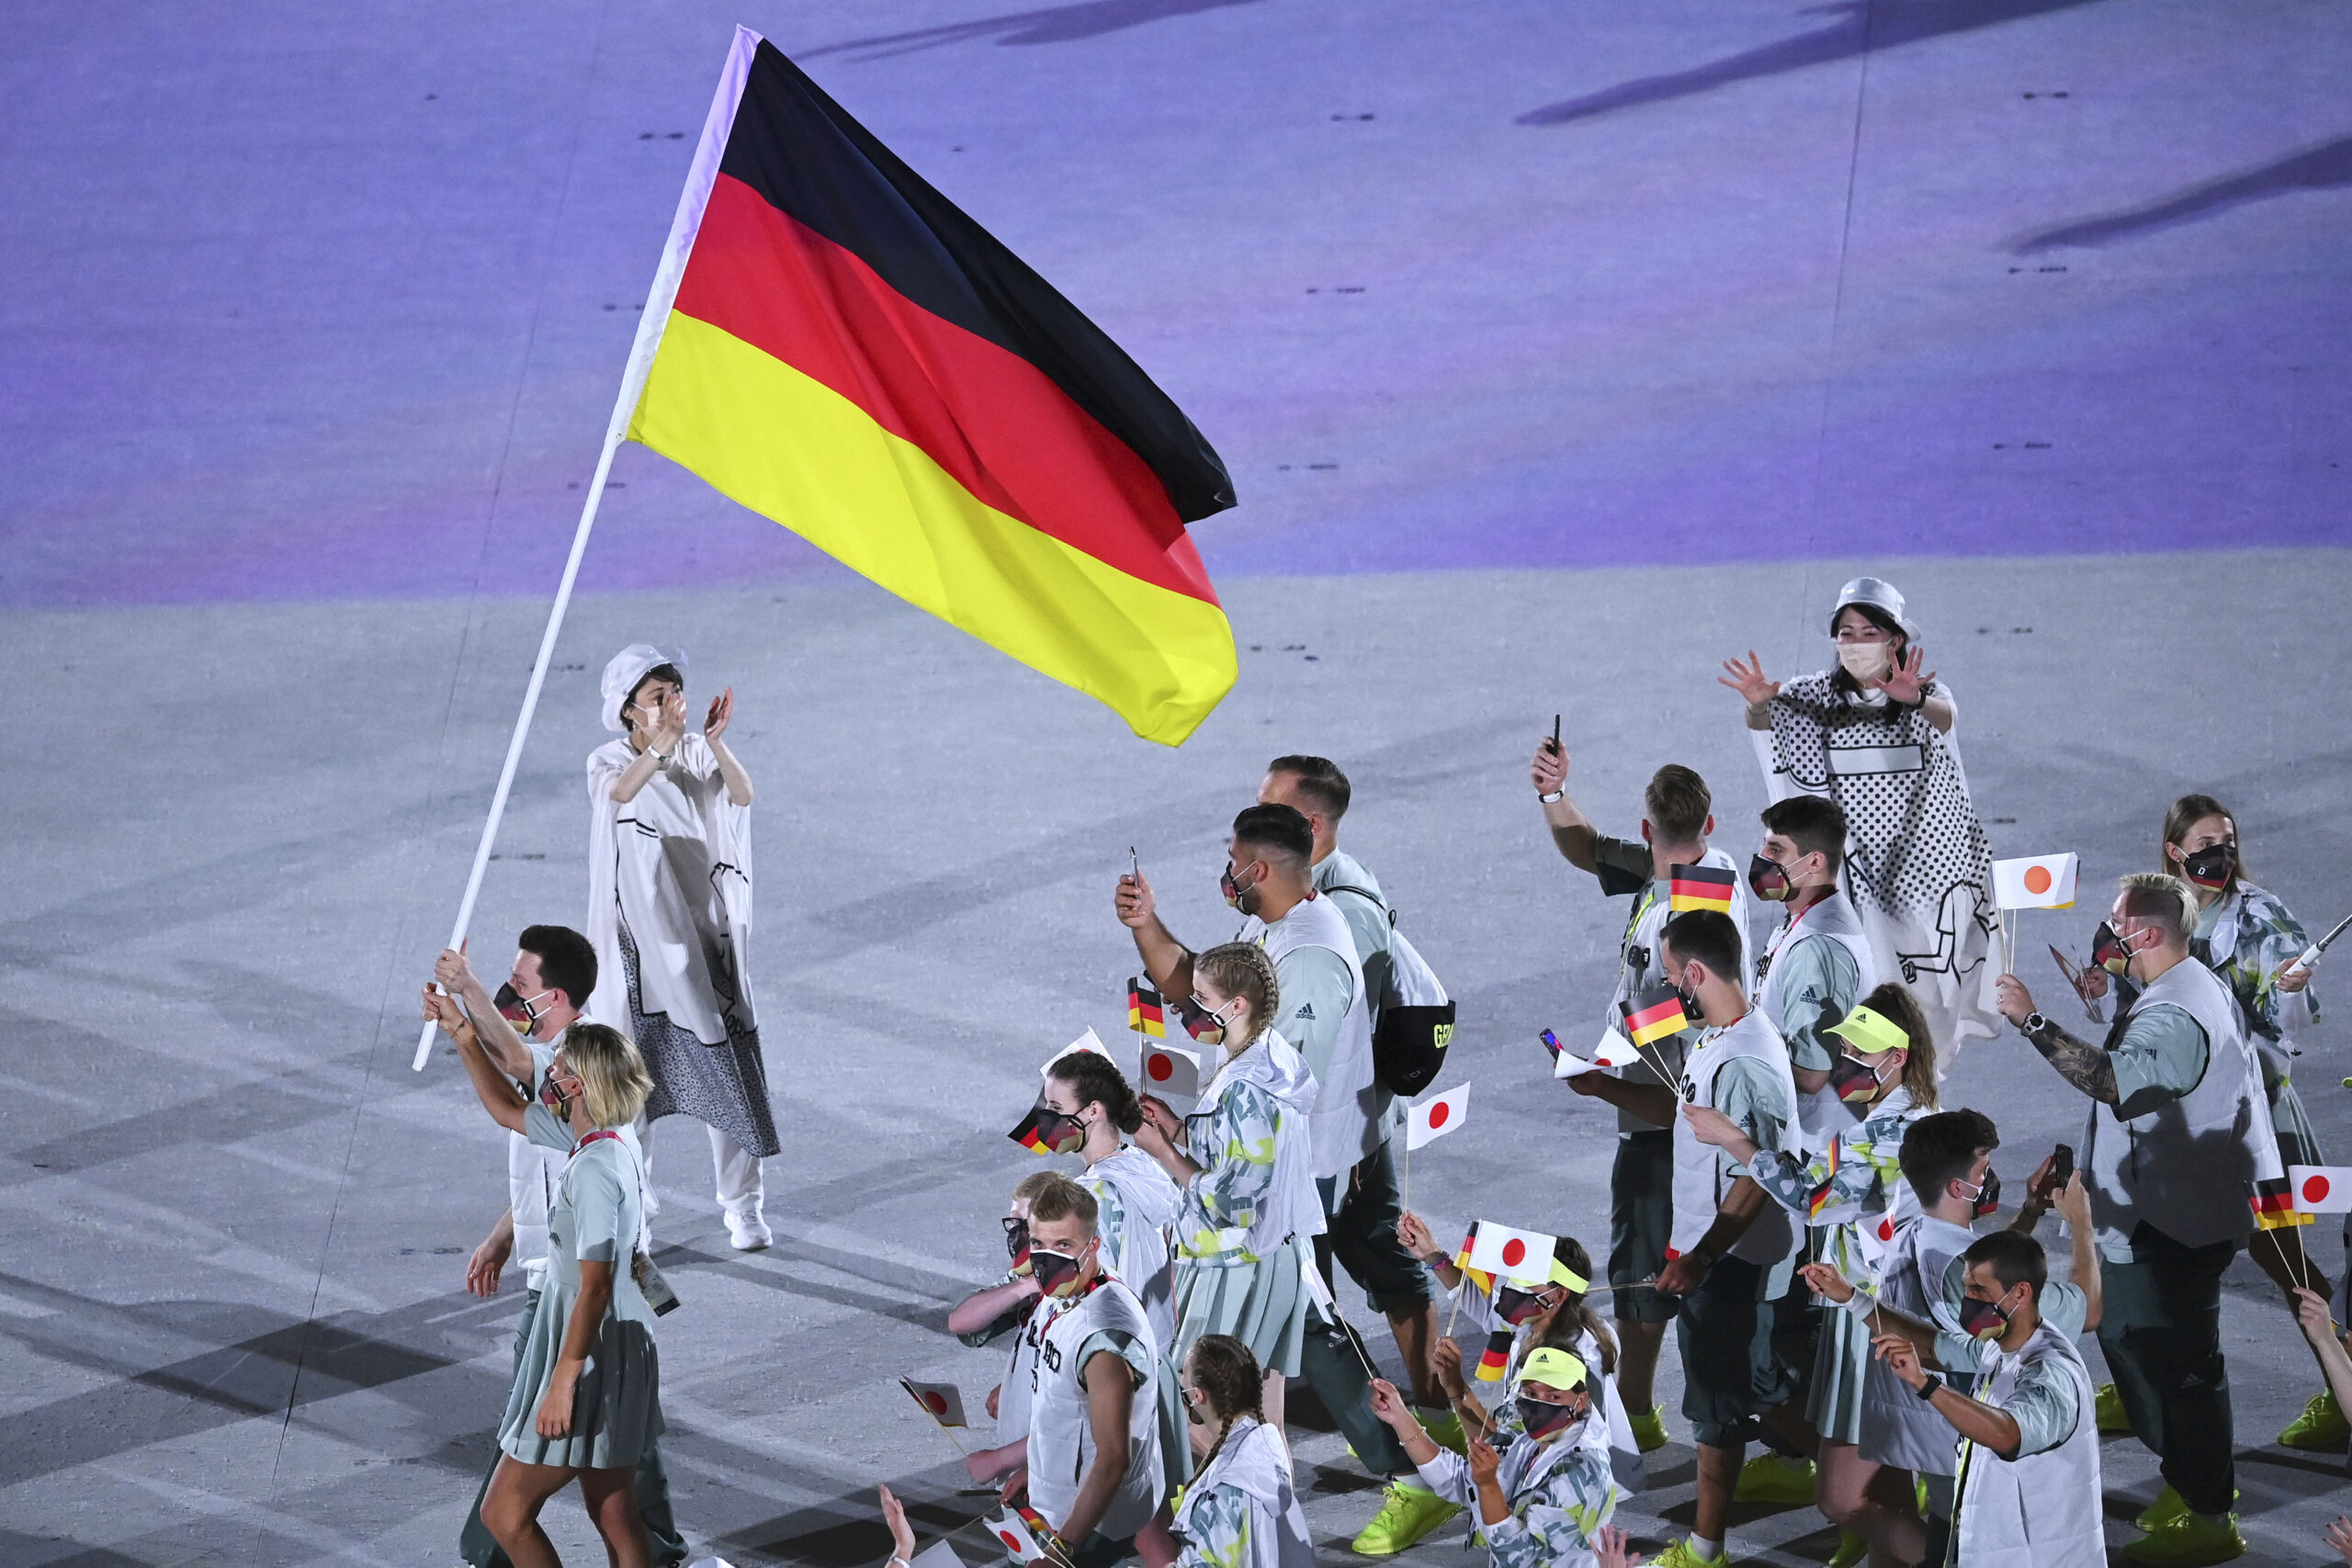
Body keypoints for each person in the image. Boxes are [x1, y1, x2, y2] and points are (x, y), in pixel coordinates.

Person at [1121, 819, 1453, 1553]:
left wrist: (1176, 1148)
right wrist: (1149, 926)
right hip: (1279, 1194)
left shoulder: (1307, 957)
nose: (1227, 871)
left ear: (1264, 867)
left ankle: (1414, 1473)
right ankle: (1265, 1494)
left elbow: (1265, 1108)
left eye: (1236, 862)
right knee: (1292, 1340)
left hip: (1279, 1197)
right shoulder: (1273, 924)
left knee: (1282, 1341)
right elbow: (1210, 994)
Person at [1996, 873, 2273, 1565]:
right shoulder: (2175, 983)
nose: (2107, 935)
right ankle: (2186, 1472)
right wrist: (2111, 990)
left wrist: (2033, 1021)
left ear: (2146, 935)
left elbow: (2111, 1079)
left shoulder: (2176, 1015)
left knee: (2180, 1364)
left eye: (2117, 925)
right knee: (2129, 1333)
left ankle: (2210, 1512)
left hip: (2177, 1223)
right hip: (2156, 1209)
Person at [428, 932, 686, 1568]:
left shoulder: (597, 1165)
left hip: (587, 1340)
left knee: (507, 1512)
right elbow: (505, 1108)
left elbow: (595, 1285)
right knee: (613, 1509)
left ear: (579, 1082)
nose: (552, 1075)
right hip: (606, 1336)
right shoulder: (585, 1134)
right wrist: (462, 1034)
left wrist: (563, 1381)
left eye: (561, 1071)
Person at [1529, 741, 1750, 1454]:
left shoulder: (1686, 916)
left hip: (1670, 1114)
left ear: (1649, 827)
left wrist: (1603, 1068)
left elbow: (1686, 1013)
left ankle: (1638, 1413)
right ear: (1708, 823)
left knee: (1642, 1276)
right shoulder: (1705, 869)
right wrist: (1554, 794)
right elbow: (1589, 849)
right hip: (1667, 1101)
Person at [1575, 909, 1804, 1568]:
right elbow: (1685, 1114)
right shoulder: (1720, 1034)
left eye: (1672, 975)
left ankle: (1705, 1551)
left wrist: (1701, 1258)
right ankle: (1861, 1474)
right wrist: (1603, 1087)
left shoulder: (1745, 1062)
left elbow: (1757, 1176)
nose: (1668, 987)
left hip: (1732, 1263)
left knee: (1717, 1410)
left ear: (1696, 973)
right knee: (1757, 1391)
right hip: (1717, 1254)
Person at [1684, 987, 1935, 1565]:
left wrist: (1733, 1138)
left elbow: (1809, 1196)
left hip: (1873, 1323)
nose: (1844, 1062)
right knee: (1886, 1486)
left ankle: (1951, 1558)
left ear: (1897, 1058)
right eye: (1843, 1047)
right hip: (1883, 1312)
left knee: (1841, 1497)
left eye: (1859, 1053)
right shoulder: (1911, 1120)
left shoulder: (1882, 1136)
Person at [2122, 795, 2335, 1450]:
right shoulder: (2153, 910)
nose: (2222, 851)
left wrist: (2293, 988)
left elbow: (2295, 1021)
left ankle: (2343, 1375)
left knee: (2284, 1254)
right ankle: (2144, 1378)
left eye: (2229, 840)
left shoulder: (2260, 915)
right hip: (2175, 1119)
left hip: (2253, 1118)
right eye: (2207, 842)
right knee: (2141, 1252)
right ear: (2175, 852)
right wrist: (2107, 988)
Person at [1721, 575, 1999, 1059]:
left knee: (1924, 1010)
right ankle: (1877, 1103)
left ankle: (1919, 1100)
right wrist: (1760, 707)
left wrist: (1912, 698)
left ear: (1895, 639)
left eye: (1868, 632)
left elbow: (1944, 719)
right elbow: (1770, 731)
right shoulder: (1813, 696)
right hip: (1852, 884)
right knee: (1860, 1001)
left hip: (1918, 884)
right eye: (1845, 633)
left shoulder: (1923, 696)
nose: (1854, 643)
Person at [1258, 756, 1444, 1416]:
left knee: (1382, 1268)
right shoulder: (1300, 883)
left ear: (1309, 824)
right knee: (1333, 1260)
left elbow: (1345, 1041)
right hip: (1325, 1127)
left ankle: (1425, 1410)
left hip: (1345, 1130)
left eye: (1270, 807)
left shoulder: (1345, 907)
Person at [586, 643, 775, 1252]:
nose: (673, 704)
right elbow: (620, 797)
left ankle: (743, 1207)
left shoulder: (694, 752)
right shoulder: (607, 761)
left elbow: (742, 797)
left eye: (675, 692)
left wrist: (717, 741)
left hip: (699, 943)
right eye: (657, 697)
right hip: (636, 952)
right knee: (629, 1090)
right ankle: (635, 1218)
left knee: (727, 1074)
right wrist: (664, 745)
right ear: (629, 713)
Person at [1871, 1232, 2105, 1567]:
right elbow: (1932, 1347)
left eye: (1979, 1290)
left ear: (2020, 1292)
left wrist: (1925, 1385)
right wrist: (1852, 1299)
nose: (1968, 1300)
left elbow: (2008, 1434)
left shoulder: (2052, 1374)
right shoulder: (1999, 1347)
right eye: (1967, 1287)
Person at [1041, 1052, 1191, 1495]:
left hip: (1117, 1365)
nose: (1047, 1122)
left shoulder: (1088, 1200)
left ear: (1091, 1111)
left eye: (1054, 1109)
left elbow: (1085, 1294)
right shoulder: (1149, 1164)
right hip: (1162, 1351)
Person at [1394, 1218, 1639, 1488]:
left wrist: (1456, 1388)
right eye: (1516, 1278)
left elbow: (1509, 1441)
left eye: (1528, 1284)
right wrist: (1433, 1255)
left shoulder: (1564, 1361)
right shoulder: (1537, 1317)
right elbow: (1487, 1308)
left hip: (1562, 1479)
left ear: (1559, 1295)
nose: (1513, 1290)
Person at [1022, 1172, 1168, 1568]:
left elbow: (1112, 1459)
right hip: (1060, 1506)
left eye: (1063, 1245)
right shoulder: (1066, 1293)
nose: (1047, 1259)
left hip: (1089, 1528)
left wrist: (1060, 1554)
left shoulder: (1103, 1337)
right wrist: (1032, 1469)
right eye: (1039, 1244)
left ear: (1094, 1246)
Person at [1369, 1351, 1624, 1568]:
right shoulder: (1531, 1439)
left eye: (1554, 1396)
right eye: (1531, 1393)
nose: (1539, 1404)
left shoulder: (1583, 1474)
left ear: (1580, 1401)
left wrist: (1488, 1485)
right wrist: (1401, 1418)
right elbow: (1459, 1481)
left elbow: (1518, 1557)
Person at [1749, 795, 1882, 1146]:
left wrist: (1740, 1056)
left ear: (1814, 862)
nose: (1763, 860)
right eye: (1765, 847)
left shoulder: (1816, 948)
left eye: (1776, 851)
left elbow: (1811, 1074)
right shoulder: (1810, 915)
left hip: (1813, 1146)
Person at [1159, 1335, 1315, 1568]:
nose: (1181, 1378)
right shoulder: (1265, 1442)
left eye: (1184, 1372)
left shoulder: (1225, 1492)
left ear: (1198, 1395)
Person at [949, 1170, 1060, 1492]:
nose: (1015, 1235)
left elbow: (1077, 1422)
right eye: (1012, 1224)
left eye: (1023, 1224)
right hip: (1028, 1470)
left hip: (1054, 1483)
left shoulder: (1076, 1304)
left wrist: (999, 1460)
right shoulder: (1029, 1283)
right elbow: (962, 1322)